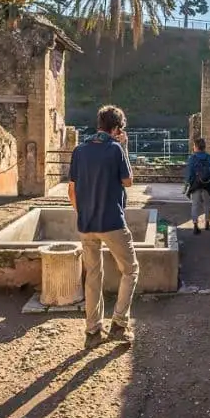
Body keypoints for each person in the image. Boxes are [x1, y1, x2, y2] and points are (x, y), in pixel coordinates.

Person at [68, 105, 139, 349]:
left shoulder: (79, 150)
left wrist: (83, 214)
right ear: (117, 128)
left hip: (86, 224)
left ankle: (92, 331)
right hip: (112, 222)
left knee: (93, 276)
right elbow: (128, 181)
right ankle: (118, 324)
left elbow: (71, 190)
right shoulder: (116, 149)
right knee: (130, 270)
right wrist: (125, 147)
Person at [184, 138, 210, 235]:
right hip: (207, 183)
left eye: (194, 146)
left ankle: (195, 224)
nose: (193, 147)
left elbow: (190, 173)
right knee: (207, 204)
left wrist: (188, 184)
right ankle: (207, 222)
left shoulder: (192, 158)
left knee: (195, 205)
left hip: (196, 184)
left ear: (197, 147)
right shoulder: (209, 157)